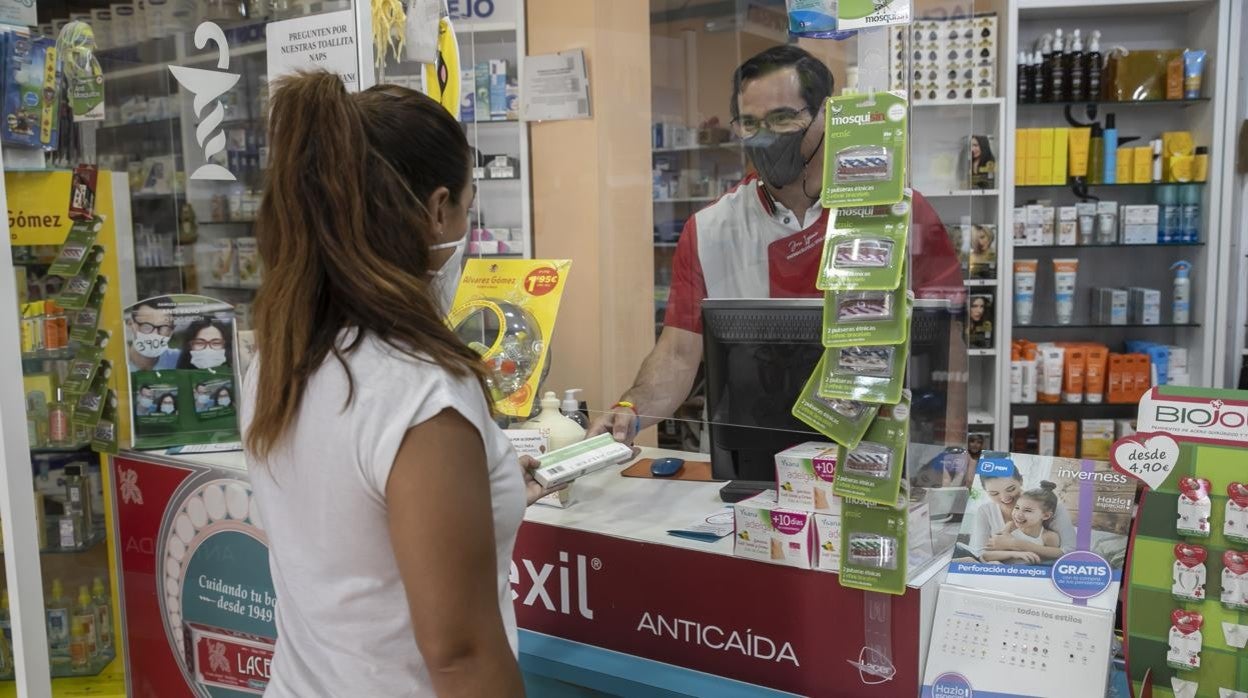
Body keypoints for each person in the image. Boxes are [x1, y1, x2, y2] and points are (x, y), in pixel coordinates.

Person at [240, 73, 558, 697]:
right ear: (438, 208)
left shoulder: (281, 357)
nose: (466, 221)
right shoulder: (420, 386)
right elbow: (462, 655)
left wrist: (482, 481)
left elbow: (351, 515)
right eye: (468, 203)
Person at [592, 45, 962, 441]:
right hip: (754, 452)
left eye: (783, 118)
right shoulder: (710, 229)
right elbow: (679, 353)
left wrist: (953, 445)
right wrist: (628, 410)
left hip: (873, 454)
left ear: (827, 113)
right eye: (749, 123)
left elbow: (949, 336)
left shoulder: (897, 211)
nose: (765, 137)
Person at [967, 466, 1076, 561]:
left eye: (1011, 489)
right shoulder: (985, 511)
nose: (1005, 498)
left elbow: (1069, 552)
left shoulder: (1051, 507)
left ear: (1021, 481)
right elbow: (979, 553)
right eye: (994, 493)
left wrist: (1016, 544)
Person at [981, 481, 1061, 564]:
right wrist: (1015, 554)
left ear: (1046, 516)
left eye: (1027, 510)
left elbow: (1054, 560)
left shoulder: (1049, 537)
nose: (1018, 514)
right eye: (1017, 507)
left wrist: (1019, 546)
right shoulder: (1010, 527)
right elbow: (986, 556)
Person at [126, 298, 181, 371]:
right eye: (146, 326)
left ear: (172, 330)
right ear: (130, 324)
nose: (154, 334)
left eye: (163, 327)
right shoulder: (117, 363)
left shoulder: (181, 360)